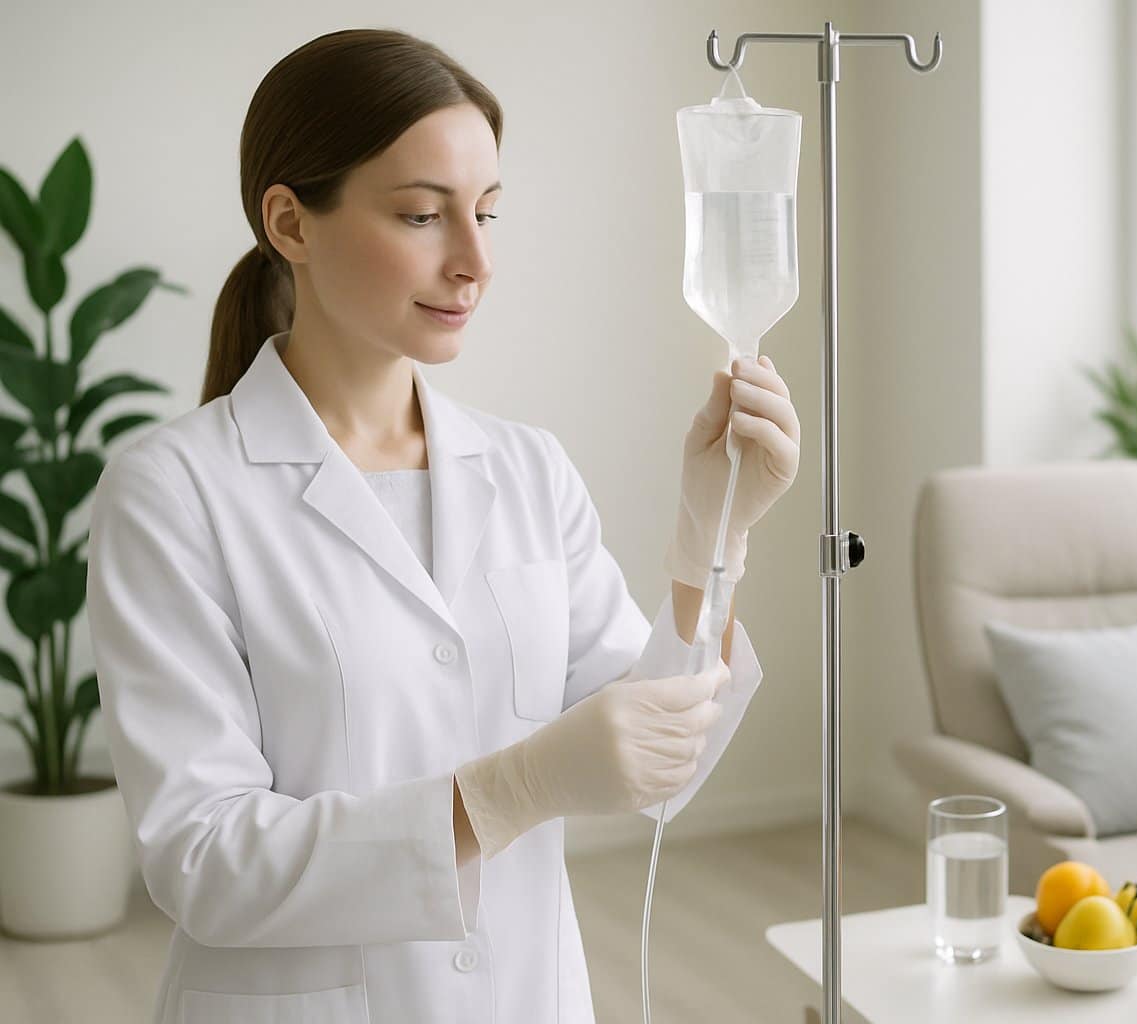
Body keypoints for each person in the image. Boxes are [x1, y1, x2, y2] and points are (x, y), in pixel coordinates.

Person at [83, 28, 799, 1024]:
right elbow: (205, 860)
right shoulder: (172, 494)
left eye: (488, 213)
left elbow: (658, 774)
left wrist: (711, 534)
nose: (474, 261)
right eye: (423, 215)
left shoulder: (526, 469)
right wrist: (507, 790)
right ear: (290, 222)